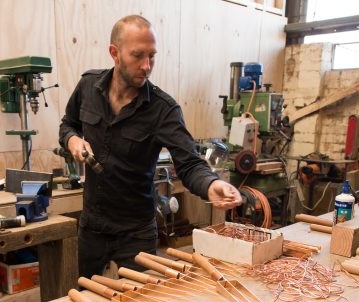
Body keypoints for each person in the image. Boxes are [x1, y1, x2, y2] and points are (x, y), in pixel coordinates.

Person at [59, 14, 242, 279]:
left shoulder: (163, 110)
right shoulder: (88, 86)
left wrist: (211, 184)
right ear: (115, 53)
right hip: (92, 228)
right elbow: (68, 125)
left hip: (136, 233)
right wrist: (73, 140)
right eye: (138, 55)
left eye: (152, 56)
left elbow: (189, 164)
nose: (147, 66)